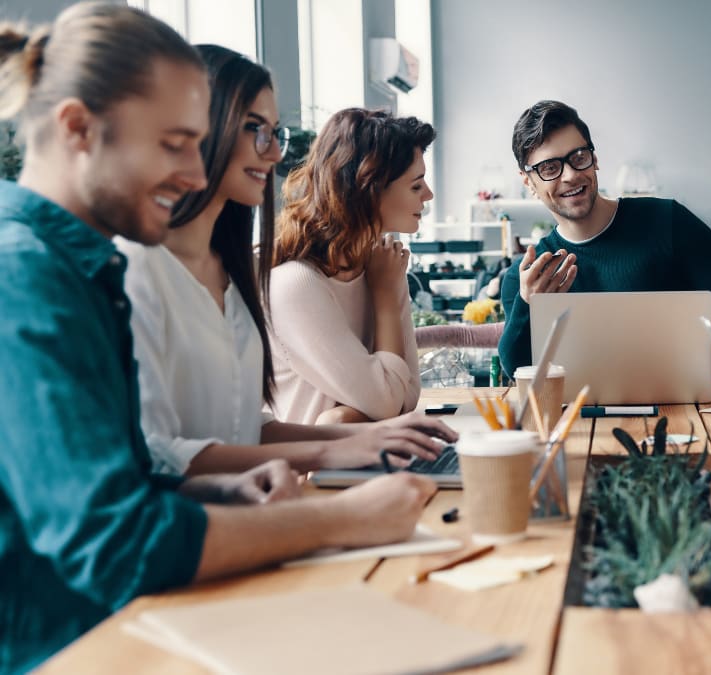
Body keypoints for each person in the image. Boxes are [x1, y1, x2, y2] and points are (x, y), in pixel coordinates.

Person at [0, 6, 433, 671]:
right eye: (175, 143)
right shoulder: (25, 277)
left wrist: (217, 490)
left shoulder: (86, 268)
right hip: (77, 648)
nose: (198, 175)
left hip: (149, 624)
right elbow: (115, 543)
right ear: (78, 130)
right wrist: (344, 518)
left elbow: (131, 477)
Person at [118, 47, 455, 475]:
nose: (276, 152)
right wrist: (340, 444)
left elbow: (247, 429)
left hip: (261, 503)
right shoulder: (140, 269)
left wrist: (371, 438)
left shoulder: (232, 271)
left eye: (276, 133)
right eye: (256, 129)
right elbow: (158, 456)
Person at [496, 100, 711, 377]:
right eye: (549, 168)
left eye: (579, 157)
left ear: (595, 159)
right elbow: (517, 369)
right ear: (528, 182)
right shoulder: (530, 277)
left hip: (677, 412)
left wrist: (687, 370)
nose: (570, 175)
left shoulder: (667, 221)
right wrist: (527, 303)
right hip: (579, 418)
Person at [270, 108, 435, 425]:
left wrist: (347, 415)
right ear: (369, 191)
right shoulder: (297, 283)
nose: (428, 194)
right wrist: (385, 294)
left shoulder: (380, 264)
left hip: (370, 457)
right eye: (416, 186)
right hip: (309, 471)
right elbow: (388, 401)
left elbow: (408, 394)